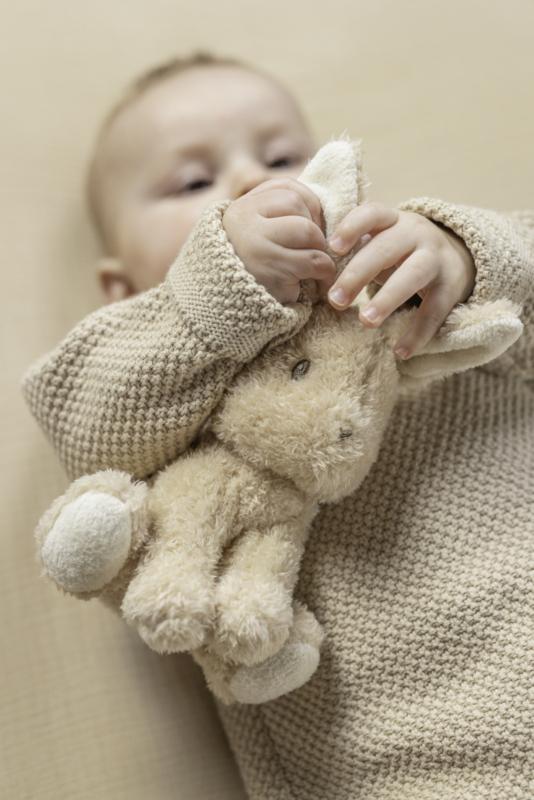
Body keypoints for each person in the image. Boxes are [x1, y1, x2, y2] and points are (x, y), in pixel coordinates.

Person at [23, 51, 534, 798]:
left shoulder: (417, 303)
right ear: (121, 287)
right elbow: (81, 419)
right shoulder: (156, 390)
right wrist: (213, 289)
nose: (253, 185)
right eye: (194, 184)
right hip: (412, 763)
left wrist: (464, 251)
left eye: (284, 156)